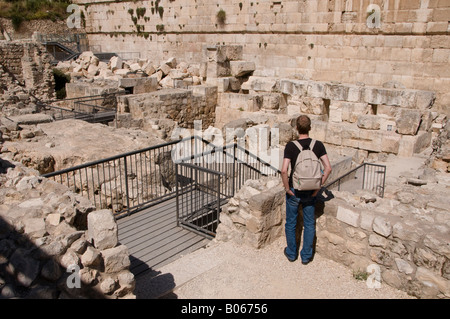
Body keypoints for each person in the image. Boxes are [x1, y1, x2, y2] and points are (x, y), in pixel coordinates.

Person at [281, 115, 332, 264]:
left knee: (291, 223)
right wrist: (318, 187)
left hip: (294, 190)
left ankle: (291, 253)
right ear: (310, 128)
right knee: (309, 224)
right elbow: (328, 168)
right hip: (311, 191)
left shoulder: (291, 146)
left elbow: (284, 170)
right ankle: (306, 256)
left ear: (296, 128)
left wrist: (287, 188)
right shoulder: (318, 145)